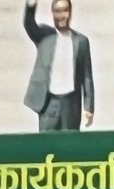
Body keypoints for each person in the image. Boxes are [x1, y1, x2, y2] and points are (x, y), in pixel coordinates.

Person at [23, 0, 95, 131]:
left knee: (69, 141)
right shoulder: (44, 36)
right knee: (47, 141)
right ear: (52, 13)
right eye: (57, 11)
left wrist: (89, 106)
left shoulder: (81, 41)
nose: (61, 15)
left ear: (70, 13)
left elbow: (87, 76)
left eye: (65, 10)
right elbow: (29, 24)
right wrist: (31, 4)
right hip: (49, 103)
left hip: (71, 103)